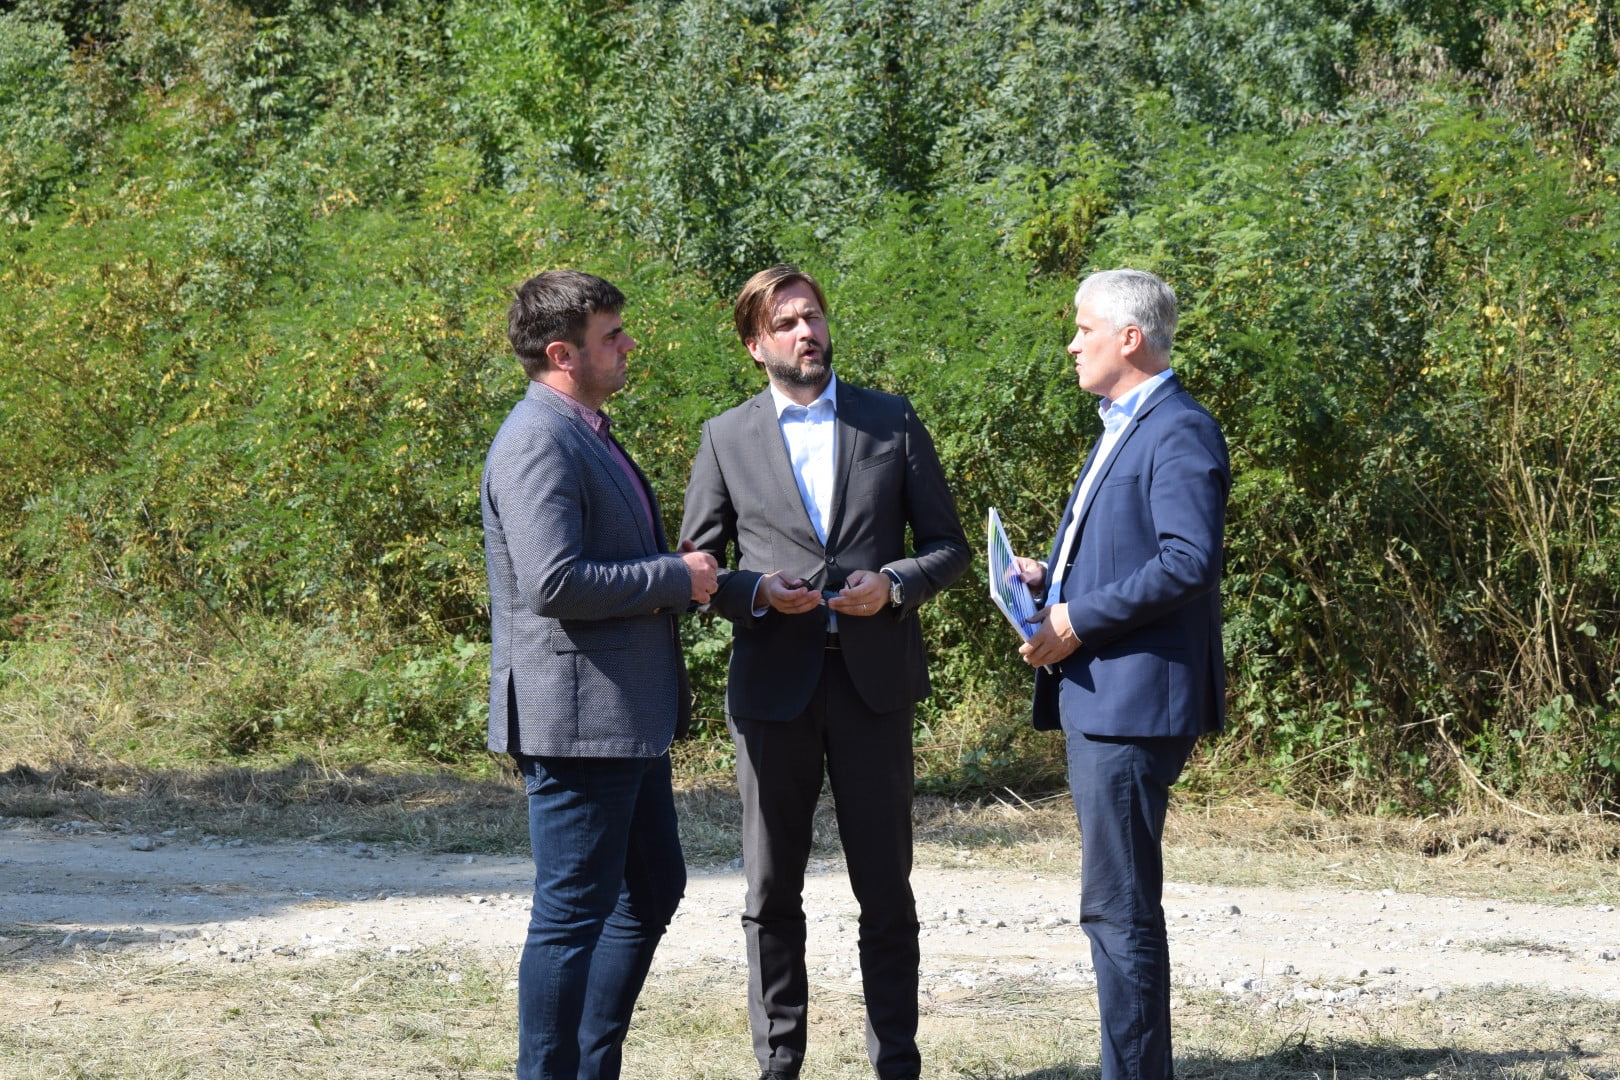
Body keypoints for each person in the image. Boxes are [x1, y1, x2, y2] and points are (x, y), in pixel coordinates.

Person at [680, 264, 969, 1080]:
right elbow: (696, 566)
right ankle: (779, 1063)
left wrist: (896, 585)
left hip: (874, 687)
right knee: (772, 891)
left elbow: (947, 546)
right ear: (755, 344)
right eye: (786, 323)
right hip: (773, 689)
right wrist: (755, 592)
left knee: (886, 890)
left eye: (813, 316)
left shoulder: (890, 419)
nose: (807, 332)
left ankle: (897, 1063)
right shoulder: (724, 436)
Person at [481, 269, 719, 1080]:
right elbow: (553, 584)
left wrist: (695, 578)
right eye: (611, 336)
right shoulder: (536, 439)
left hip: (622, 718)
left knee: (650, 891)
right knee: (570, 917)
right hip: (578, 721)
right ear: (562, 354)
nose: (628, 346)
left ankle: (591, 1065)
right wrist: (674, 577)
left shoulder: (584, 428)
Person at [1011, 268, 1230, 1080]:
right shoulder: (1125, 422)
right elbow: (1131, 550)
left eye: (1084, 329)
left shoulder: (1178, 429)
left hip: (1133, 701)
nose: (1072, 344)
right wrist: (1050, 581)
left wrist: (1076, 618)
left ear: (1129, 339)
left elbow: (1187, 562)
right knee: (1115, 903)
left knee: (1118, 908)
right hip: (1107, 696)